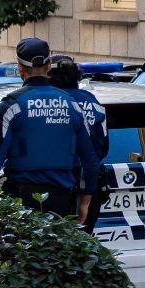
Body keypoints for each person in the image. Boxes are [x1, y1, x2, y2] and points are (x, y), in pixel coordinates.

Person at [0, 37, 98, 221]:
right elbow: (90, 160)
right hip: (63, 203)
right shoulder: (72, 105)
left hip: (21, 203)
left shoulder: (12, 105)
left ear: (19, 67)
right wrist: (86, 202)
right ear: (49, 65)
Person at [48, 55, 111, 229]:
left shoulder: (53, 103)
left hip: (57, 185)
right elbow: (103, 147)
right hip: (91, 185)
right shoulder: (92, 101)